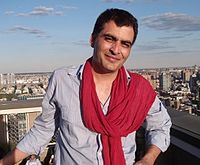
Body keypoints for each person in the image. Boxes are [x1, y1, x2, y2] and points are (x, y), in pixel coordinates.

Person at [0, 8, 171, 165]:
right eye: (109, 39)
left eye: (125, 44)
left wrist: (148, 159)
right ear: (92, 39)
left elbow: (161, 125)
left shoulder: (138, 89)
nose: (116, 49)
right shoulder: (63, 80)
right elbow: (43, 131)